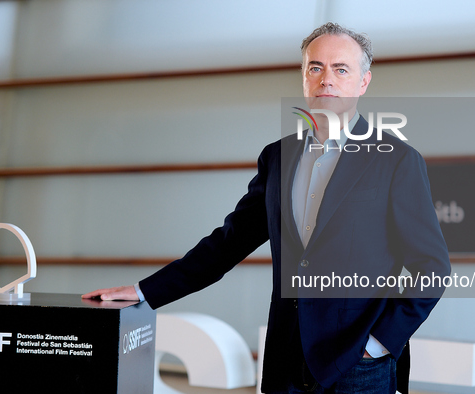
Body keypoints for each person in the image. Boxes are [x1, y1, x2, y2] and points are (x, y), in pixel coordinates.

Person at [83, 22, 451, 394]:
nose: (327, 79)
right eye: (316, 67)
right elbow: (228, 243)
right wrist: (146, 291)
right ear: (303, 77)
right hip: (285, 359)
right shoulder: (278, 156)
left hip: (359, 365)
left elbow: (433, 266)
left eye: (341, 69)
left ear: (363, 82)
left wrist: (378, 344)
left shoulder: (396, 160)